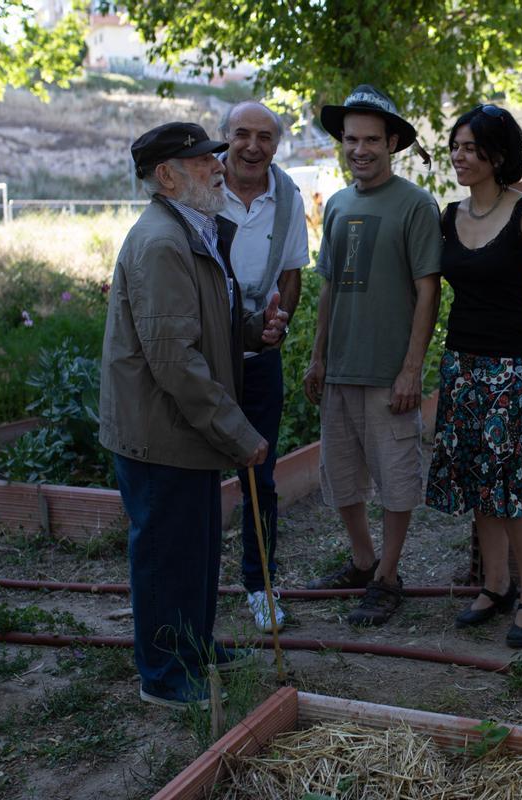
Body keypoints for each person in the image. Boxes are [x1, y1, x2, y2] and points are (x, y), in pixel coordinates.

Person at [100, 122, 288, 709]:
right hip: (162, 433)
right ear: (167, 176)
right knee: (166, 555)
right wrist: (237, 431)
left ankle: (194, 645)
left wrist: (257, 331)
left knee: (196, 551)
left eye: (214, 156)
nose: (219, 165)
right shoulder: (162, 242)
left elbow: (203, 326)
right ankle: (164, 675)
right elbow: (173, 358)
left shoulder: (192, 230)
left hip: (186, 430)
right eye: (204, 159)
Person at [302, 85, 442, 626]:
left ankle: (388, 574)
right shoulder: (336, 205)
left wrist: (412, 368)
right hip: (339, 369)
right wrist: (318, 358)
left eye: (371, 140)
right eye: (350, 139)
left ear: (392, 144)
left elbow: (428, 290)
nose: (359, 149)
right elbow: (329, 287)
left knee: (396, 478)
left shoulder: (415, 204)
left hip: (389, 372)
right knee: (340, 476)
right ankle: (362, 561)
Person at [425, 104, 522, 648]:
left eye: (471, 146)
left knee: (515, 484)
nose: (459, 155)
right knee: (477, 478)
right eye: (455, 146)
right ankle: (496, 584)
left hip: (512, 367)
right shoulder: (448, 214)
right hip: (460, 363)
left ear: (498, 154)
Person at [219, 101, 310, 634]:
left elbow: (293, 272)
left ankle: (260, 585)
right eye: (242, 135)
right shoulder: (202, 188)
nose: (253, 147)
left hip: (260, 363)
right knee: (194, 473)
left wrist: (281, 322)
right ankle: (193, 581)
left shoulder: (288, 197)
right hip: (204, 362)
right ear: (225, 138)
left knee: (260, 476)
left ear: (276, 145)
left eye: (265, 137)